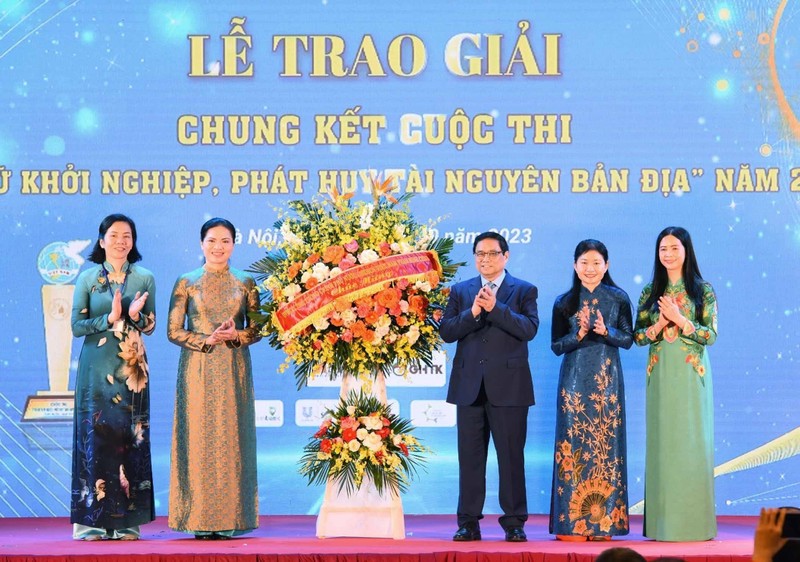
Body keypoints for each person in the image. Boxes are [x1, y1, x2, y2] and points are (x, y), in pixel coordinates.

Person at [439, 231, 539, 543]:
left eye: (492, 253)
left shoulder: (523, 290)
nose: (486, 259)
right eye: (480, 254)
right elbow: (447, 331)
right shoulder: (460, 290)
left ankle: (513, 522)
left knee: (511, 458)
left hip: (510, 387)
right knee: (470, 459)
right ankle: (468, 522)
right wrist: (474, 312)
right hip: (469, 388)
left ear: (506, 256)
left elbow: (529, 329)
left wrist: (496, 308)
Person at [167, 217, 262, 539]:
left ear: (234, 244)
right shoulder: (187, 282)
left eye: (225, 241)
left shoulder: (246, 282)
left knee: (232, 440)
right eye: (211, 240)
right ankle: (198, 518)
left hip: (234, 366)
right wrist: (203, 340)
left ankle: (231, 518)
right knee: (198, 440)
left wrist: (237, 335)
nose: (218, 247)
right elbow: (173, 330)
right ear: (201, 243)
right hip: (196, 368)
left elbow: (258, 329)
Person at [70, 213, 155, 540]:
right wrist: (111, 316)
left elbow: (151, 325)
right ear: (102, 240)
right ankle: (90, 521)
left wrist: (136, 316)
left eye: (128, 236)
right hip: (96, 366)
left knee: (129, 439)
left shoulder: (144, 277)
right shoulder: (88, 278)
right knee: (96, 435)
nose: (121, 241)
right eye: (115, 235)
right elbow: (77, 327)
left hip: (132, 368)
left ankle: (126, 522)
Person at [634, 226, 717, 541]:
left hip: (691, 375)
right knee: (663, 444)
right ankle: (662, 525)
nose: (667, 254)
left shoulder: (701, 290)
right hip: (660, 373)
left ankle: (695, 524)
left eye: (673, 248)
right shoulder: (649, 292)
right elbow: (638, 337)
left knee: (691, 443)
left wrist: (681, 320)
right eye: (662, 249)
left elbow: (711, 334)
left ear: (686, 250)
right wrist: (658, 325)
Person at [549, 240, 633, 541]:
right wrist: (580, 333)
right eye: (584, 262)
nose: (590, 269)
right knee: (574, 446)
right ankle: (571, 522)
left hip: (607, 383)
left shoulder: (619, 298)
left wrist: (605, 331)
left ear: (606, 265)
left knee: (606, 447)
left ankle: (604, 523)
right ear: (575, 265)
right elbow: (557, 346)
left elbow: (628, 339)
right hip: (573, 384)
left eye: (596, 263)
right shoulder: (564, 302)